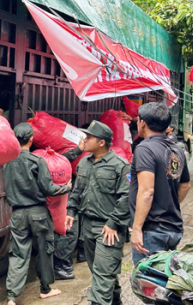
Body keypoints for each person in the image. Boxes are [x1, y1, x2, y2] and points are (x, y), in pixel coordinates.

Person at [4, 123, 71, 304]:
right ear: (31, 139)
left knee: (18, 254)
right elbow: (49, 188)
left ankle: (11, 297)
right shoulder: (36, 161)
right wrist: (66, 187)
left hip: (17, 214)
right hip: (38, 213)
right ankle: (45, 289)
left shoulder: (7, 162)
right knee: (44, 250)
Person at [66, 121, 130, 305]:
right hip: (88, 226)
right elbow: (78, 190)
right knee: (101, 273)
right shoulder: (85, 163)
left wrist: (113, 223)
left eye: (89, 137)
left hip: (108, 229)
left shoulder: (120, 165)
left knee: (102, 279)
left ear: (102, 142)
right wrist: (71, 210)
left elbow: (126, 197)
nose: (84, 140)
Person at [130, 103, 191, 265]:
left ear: (142, 123)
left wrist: (136, 229)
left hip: (152, 230)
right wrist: (169, 204)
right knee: (164, 280)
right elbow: (185, 185)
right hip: (173, 228)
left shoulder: (145, 149)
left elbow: (147, 191)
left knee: (148, 285)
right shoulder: (177, 149)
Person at [53, 139, 85, 280]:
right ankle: (59, 265)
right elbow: (62, 159)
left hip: (69, 196)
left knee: (70, 231)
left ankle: (64, 262)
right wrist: (78, 149)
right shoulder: (52, 159)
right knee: (68, 231)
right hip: (63, 197)